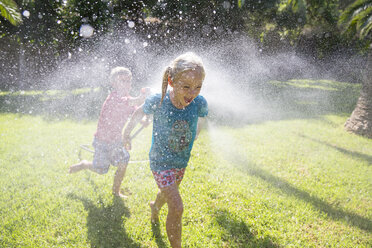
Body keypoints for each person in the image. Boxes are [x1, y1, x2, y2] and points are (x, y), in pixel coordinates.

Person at [123, 52, 208, 248]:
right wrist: (126, 133)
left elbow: (202, 118)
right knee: (177, 207)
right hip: (160, 163)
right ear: (171, 81)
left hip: (180, 162)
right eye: (186, 86)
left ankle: (154, 207)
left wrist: (196, 132)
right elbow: (138, 113)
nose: (191, 92)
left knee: (168, 193)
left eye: (197, 87)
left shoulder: (199, 102)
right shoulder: (159, 100)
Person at [69, 67, 150, 199]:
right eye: (122, 81)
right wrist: (142, 98)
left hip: (116, 141)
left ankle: (115, 192)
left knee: (124, 160)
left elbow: (136, 113)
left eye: (129, 81)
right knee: (101, 169)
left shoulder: (128, 99)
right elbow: (134, 102)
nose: (126, 84)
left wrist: (144, 120)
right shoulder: (114, 98)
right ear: (113, 83)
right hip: (102, 141)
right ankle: (84, 164)